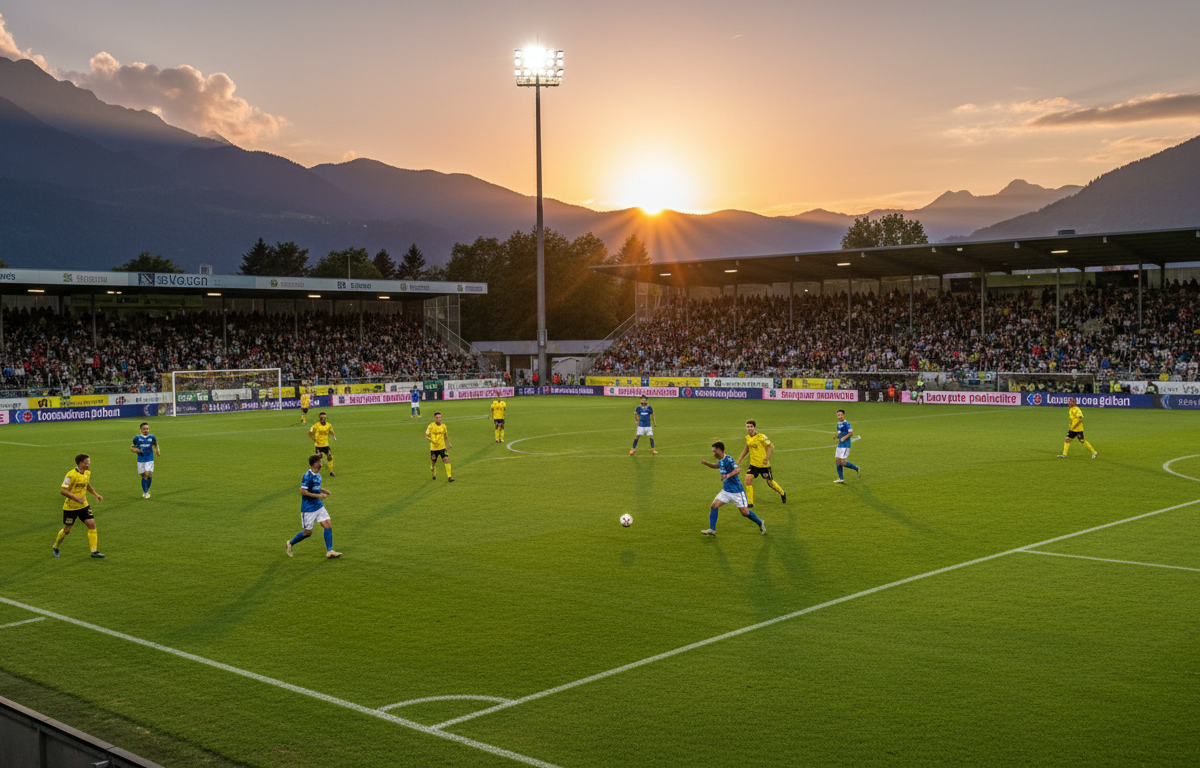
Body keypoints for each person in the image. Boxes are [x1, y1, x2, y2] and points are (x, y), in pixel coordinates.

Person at [699, 442, 765, 536]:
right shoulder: (721, 461)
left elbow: (738, 470)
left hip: (736, 492)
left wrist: (728, 475)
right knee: (714, 506)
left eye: (715, 451)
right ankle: (712, 530)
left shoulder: (729, 459)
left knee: (745, 512)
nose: (714, 454)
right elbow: (716, 466)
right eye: (713, 451)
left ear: (721, 450)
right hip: (726, 491)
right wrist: (706, 463)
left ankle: (760, 523)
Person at [286, 454, 341, 559]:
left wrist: (324, 491)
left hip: (318, 505)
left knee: (327, 524)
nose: (322, 464)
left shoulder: (318, 475)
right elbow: (302, 491)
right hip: (308, 508)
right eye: (320, 462)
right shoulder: (307, 476)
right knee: (308, 533)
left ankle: (329, 551)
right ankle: (290, 543)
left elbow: (315, 488)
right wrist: (318, 496)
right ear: (315, 463)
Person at [54, 454, 105, 558]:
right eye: (87, 462)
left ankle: (94, 552)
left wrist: (96, 494)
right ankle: (55, 546)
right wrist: (75, 498)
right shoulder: (70, 475)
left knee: (92, 525)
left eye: (89, 461)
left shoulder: (87, 473)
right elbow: (63, 490)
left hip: (83, 506)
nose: (89, 463)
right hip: (70, 507)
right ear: (81, 463)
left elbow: (87, 484)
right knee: (67, 530)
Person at [737, 419, 786, 510]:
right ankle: (750, 503)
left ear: (754, 427)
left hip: (764, 465)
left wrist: (767, 458)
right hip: (753, 464)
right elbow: (746, 449)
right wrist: (739, 460)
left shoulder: (761, 437)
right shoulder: (747, 438)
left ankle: (782, 493)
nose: (749, 428)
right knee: (748, 480)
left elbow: (771, 446)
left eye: (751, 427)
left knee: (770, 483)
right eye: (748, 427)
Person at [130, 421, 161, 499]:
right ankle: (145, 491)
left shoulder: (151, 437)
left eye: (147, 429)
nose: (146, 430)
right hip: (141, 459)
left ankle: (146, 492)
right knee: (144, 476)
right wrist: (136, 450)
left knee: (148, 474)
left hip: (150, 459)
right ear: (141, 429)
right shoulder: (137, 438)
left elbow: (156, 445)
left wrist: (158, 451)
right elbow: (132, 447)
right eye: (144, 429)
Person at [834, 409, 861, 483]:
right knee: (837, 460)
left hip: (845, 445)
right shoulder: (838, 424)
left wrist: (844, 437)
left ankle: (856, 468)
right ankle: (841, 479)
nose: (840, 416)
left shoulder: (847, 423)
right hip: (840, 445)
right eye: (838, 415)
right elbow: (839, 433)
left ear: (844, 415)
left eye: (841, 414)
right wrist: (836, 436)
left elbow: (851, 433)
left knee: (842, 462)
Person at [426, 411, 454, 481]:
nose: (438, 419)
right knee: (433, 463)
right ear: (434, 418)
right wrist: (431, 440)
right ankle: (433, 474)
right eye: (437, 417)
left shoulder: (443, 426)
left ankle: (449, 477)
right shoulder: (431, 426)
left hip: (442, 447)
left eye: (439, 417)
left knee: (446, 460)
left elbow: (445, 436)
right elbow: (426, 435)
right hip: (434, 448)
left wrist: (448, 443)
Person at [309, 412, 337, 477]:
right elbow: (310, 433)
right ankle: (314, 473)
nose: (323, 418)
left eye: (324, 417)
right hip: (318, 445)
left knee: (329, 456)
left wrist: (334, 436)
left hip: (326, 445)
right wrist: (314, 439)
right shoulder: (315, 425)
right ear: (319, 418)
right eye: (322, 417)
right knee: (318, 460)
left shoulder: (329, 425)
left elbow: (332, 432)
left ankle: (331, 471)